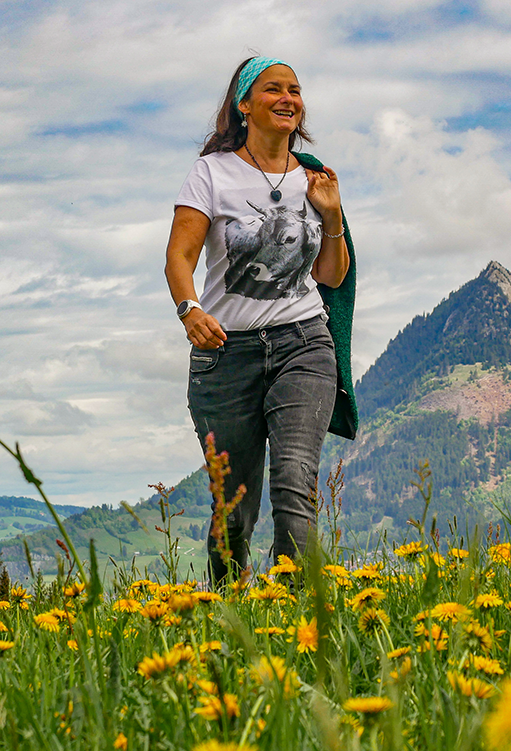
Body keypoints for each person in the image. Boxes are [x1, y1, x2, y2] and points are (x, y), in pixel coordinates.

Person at [164, 56, 356, 584]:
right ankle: (229, 610)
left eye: (294, 89)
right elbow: (179, 256)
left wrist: (332, 214)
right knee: (235, 507)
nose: (287, 98)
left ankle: (297, 613)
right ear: (244, 104)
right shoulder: (211, 173)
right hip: (227, 352)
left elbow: (332, 278)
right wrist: (189, 309)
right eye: (273, 89)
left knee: (295, 478)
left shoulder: (316, 178)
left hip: (304, 344)